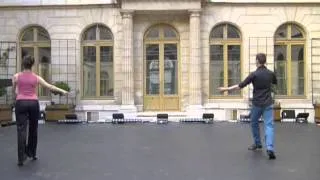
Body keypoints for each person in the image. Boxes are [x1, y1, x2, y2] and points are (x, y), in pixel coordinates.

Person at [218, 53, 277, 160]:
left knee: (254, 122)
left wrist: (226, 89)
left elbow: (240, 85)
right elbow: (274, 83)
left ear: (257, 62)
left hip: (257, 104)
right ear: (265, 62)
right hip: (268, 103)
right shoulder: (271, 74)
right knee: (269, 126)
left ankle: (258, 143)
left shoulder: (253, 75)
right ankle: (270, 148)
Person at [12, 55, 68, 166]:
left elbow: (14, 90)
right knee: (33, 129)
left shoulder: (16, 76)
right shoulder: (36, 77)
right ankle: (31, 153)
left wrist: (18, 95)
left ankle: (21, 158)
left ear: (23, 64)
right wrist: (62, 90)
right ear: (32, 65)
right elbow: (49, 86)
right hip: (33, 103)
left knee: (21, 130)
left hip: (21, 103)